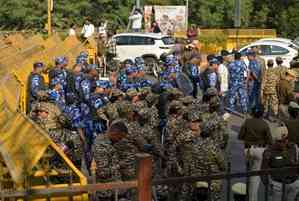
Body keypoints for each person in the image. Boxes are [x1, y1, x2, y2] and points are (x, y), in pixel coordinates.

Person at [238, 104, 272, 201]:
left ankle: (247, 193)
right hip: (260, 151)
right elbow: (270, 141)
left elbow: (240, 136)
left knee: (249, 172)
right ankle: (252, 198)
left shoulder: (247, 122)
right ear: (262, 113)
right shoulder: (265, 124)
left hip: (248, 150)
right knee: (255, 176)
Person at [261, 126, 299, 201]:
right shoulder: (269, 151)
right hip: (277, 185)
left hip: (293, 183)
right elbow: (263, 170)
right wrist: (269, 185)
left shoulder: (293, 148)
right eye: (279, 141)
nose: (282, 143)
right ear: (276, 140)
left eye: (284, 141)